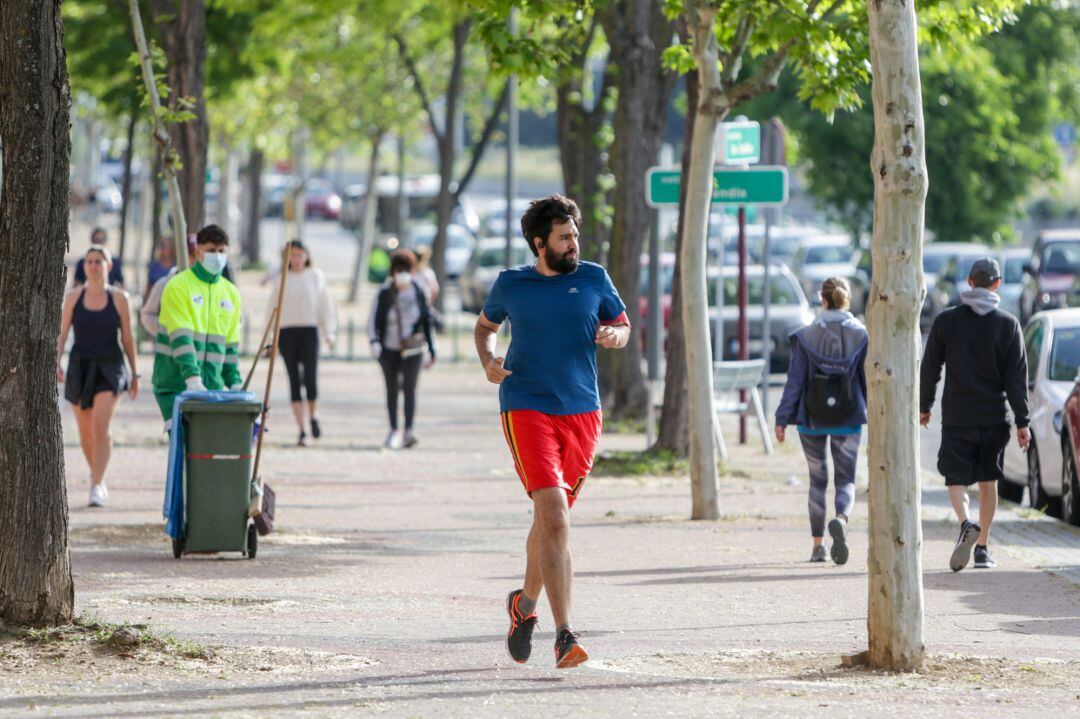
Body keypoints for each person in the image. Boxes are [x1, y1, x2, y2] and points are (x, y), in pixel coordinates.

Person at [474, 194, 630, 669]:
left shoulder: (594, 278)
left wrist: (614, 336)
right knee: (556, 518)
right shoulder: (511, 284)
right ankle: (564, 635)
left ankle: (523, 606)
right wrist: (489, 360)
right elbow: (485, 328)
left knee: (548, 523)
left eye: (576, 236)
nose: (574, 244)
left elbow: (621, 325)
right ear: (540, 243)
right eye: (565, 238)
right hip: (526, 405)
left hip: (582, 411)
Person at [921, 257, 1029, 572]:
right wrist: (1023, 422)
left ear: (969, 282)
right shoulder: (1008, 324)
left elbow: (930, 367)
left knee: (956, 479)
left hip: (957, 415)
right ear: (997, 284)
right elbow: (1016, 379)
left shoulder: (946, 321)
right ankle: (982, 548)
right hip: (994, 416)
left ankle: (965, 521)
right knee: (988, 481)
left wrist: (925, 405)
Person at [774, 277, 868, 565]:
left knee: (817, 481)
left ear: (823, 300)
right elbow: (867, 381)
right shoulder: (862, 335)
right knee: (846, 479)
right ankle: (841, 517)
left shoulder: (805, 336)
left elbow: (795, 381)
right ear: (846, 299)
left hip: (811, 418)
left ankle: (818, 547)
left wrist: (782, 418)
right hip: (849, 416)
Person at [56, 246, 140, 507]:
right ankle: (97, 472)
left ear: (108, 266)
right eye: (89, 261)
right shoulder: (73, 298)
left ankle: (97, 485)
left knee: (99, 427)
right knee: (85, 433)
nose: (93, 265)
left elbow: (127, 337)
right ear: (84, 266)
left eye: (99, 261)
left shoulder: (120, 298)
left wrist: (134, 372)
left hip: (110, 367)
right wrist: (56, 362)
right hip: (80, 366)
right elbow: (62, 333)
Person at [151, 224, 244, 423]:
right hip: (175, 384)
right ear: (198, 251)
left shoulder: (231, 293)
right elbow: (180, 337)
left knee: (207, 450)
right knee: (184, 450)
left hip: (212, 390)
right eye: (211, 250)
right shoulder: (178, 285)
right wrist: (192, 378)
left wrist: (235, 382)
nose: (217, 256)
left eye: (221, 251)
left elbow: (230, 346)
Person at [270, 240, 337, 446]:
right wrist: (271, 338)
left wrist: (329, 332)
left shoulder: (315, 276)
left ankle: (314, 415)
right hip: (287, 332)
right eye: (292, 255)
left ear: (306, 256)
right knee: (293, 379)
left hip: (309, 330)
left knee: (310, 376)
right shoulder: (281, 279)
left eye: (300, 255)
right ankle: (301, 430)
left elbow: (326, 306)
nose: (296, 259)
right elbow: (272, 308)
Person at [368, 250, 436, 449]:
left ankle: (408, 430)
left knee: (410, 387)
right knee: (391, 388)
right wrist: (374, 342)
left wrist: (432, 349)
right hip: (389, 348)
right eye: (398, 270)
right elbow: (373, 320)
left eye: (406, 270)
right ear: (392, 272)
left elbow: (427, 320)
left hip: (413, 348)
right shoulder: (384, 292)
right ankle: (393, 430)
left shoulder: (418, 290)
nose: (402, 274)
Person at [140, 236, 196, 338]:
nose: (195, 259)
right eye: (191, 254)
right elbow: (148, 314)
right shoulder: (164, 283)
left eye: (198, 254)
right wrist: (164, 332)